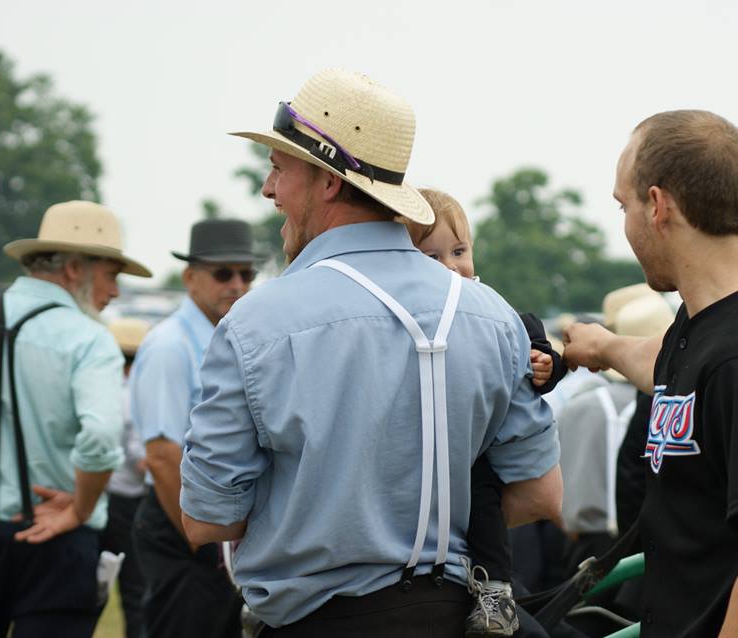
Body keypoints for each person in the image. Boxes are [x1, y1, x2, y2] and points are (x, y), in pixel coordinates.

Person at [179, 69, 562, 638]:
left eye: (280, 168)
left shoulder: (257, 322)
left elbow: (207, 520)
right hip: (454, 618)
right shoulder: (492, 314)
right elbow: (538, 494)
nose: (268, 188)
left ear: (328, 182)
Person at [563, 110, 738, 636]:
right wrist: (603, 347)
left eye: (622, 204)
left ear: (657, 206)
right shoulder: (718, 323)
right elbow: (675, 368)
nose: (624, 222)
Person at [0, 200, 151, 638]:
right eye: (111, 275)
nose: (115, 291)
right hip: (57, 538)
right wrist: (79, 509)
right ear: (75, 269)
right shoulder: (89, 340)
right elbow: (101, 436)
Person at [403, 187, 568, 636]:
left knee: (483, 502)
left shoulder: (495, 313)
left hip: (476, 449)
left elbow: (542, 355)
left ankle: (496, 590)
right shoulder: (405, 318)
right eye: (432, 256)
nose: (451, 265)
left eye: (458, 251)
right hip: (424, 450)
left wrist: (547, 365)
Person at [129, 218, 260, 638]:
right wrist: (197, 540)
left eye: (246, 273)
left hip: (211, 525)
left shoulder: (223, 337)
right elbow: (162, 455)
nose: (237, 284)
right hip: (184, 521)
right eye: (224, 273)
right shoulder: (171, 344)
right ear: (190, 278)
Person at [102, 317, 151, 638]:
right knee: (136, 591)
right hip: (131, 503)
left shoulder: (106, 391)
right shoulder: (134, 394)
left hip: (105, 498)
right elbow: (141, 458)